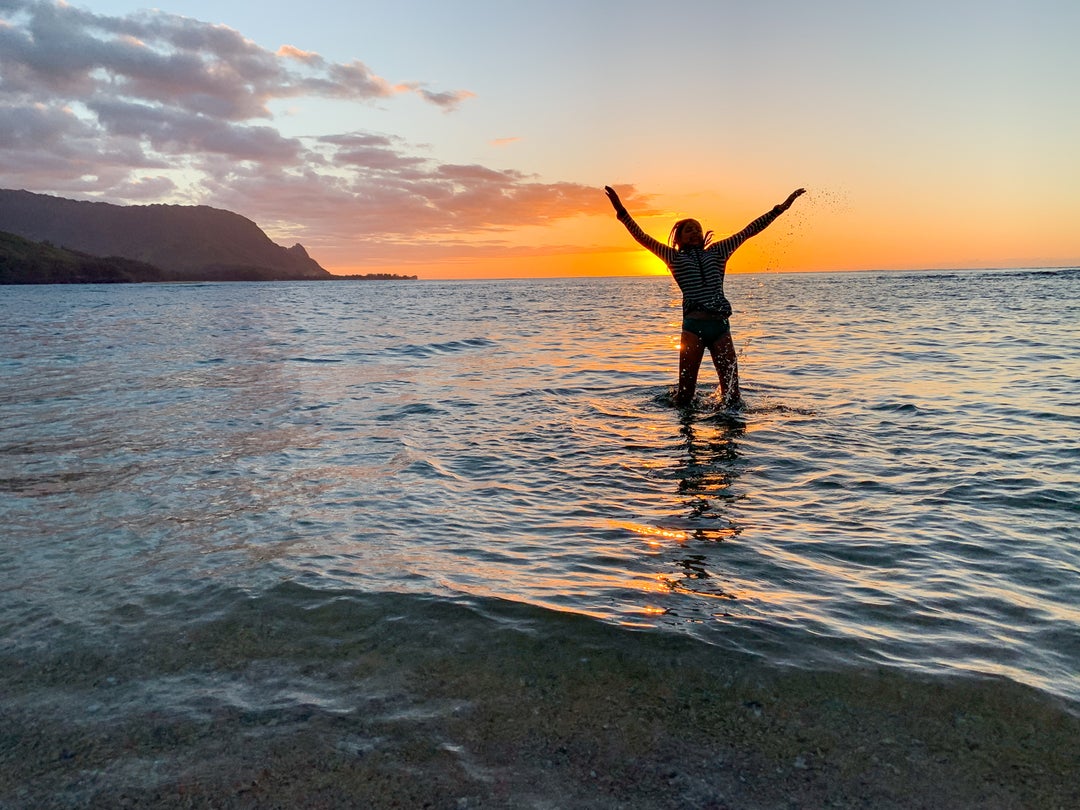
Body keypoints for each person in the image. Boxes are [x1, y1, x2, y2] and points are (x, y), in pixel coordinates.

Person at [604, 185, 805, 409]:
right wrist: (621, 211)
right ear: (678, 237)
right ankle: (685, 433)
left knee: (733, 396)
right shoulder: (672, 257)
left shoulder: (719, 251)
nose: (694, 232)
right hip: (693, 329)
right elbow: (642, 237)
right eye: (688, 229)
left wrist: (780, 209)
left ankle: (729, 434)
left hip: (720, 328)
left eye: (697, 229)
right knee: (685, 396)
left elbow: (748, 231)